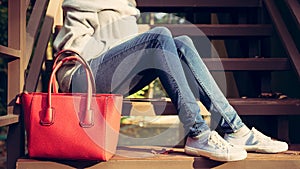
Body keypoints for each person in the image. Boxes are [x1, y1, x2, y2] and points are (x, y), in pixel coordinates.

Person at [53, 0, 288, 162]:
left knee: (182, 42)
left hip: (110, 73)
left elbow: (125, 48)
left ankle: (234, 128)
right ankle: (197, 132)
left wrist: (126, 48)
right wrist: (117, 47)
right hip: (79, 77)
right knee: (160, 35)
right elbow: (72, 47)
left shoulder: (125, 4)